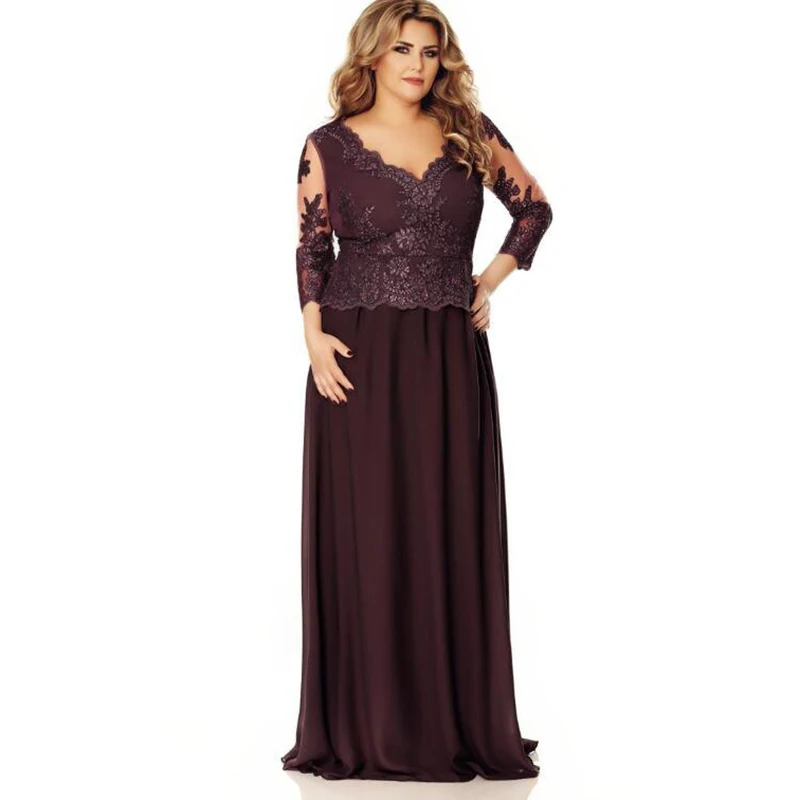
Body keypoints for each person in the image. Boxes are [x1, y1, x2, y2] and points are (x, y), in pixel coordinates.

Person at [281, 0, 553, 783]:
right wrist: (311, 331)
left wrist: (487, 282)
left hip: (445, 355)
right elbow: (311, 248)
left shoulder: (468, 130)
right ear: (372, 54)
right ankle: (368, 722)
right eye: (402, 49)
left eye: (430, 53)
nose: (417, 65)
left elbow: (534, 209)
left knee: (446, 522)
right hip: (356, 357)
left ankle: (450, 717)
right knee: (369, 529)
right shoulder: (327, 144)